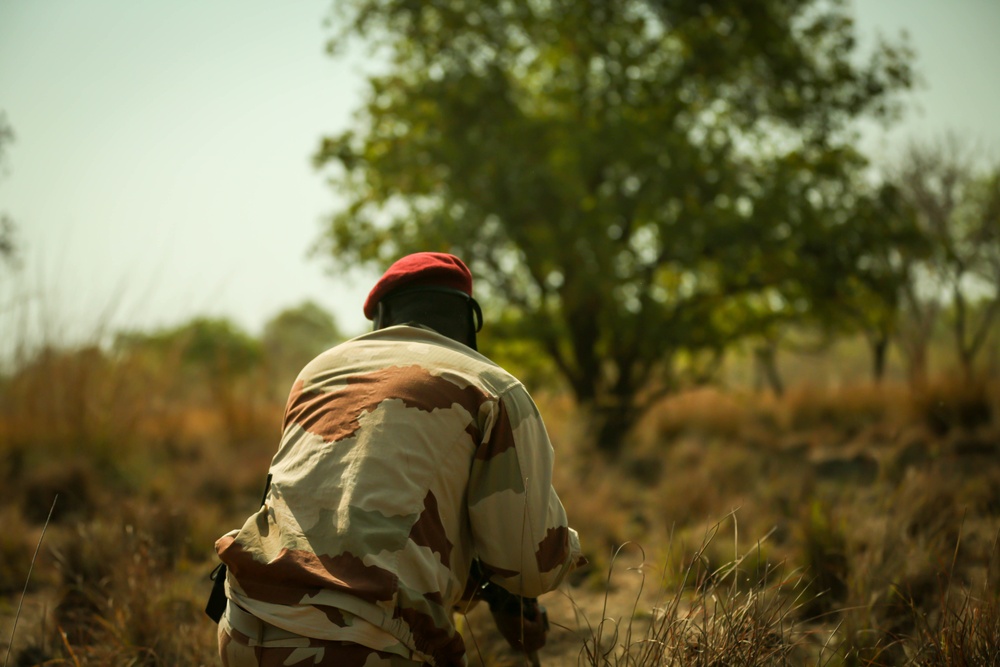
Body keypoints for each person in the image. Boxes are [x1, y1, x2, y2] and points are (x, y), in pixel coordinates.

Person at [214, 252, 585, 666]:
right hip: (364, 644)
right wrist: (560, 549)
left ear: (383, 315)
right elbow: (529, 564)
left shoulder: (317, 373)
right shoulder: (493, 387)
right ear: (469, 318)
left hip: (246, 622)